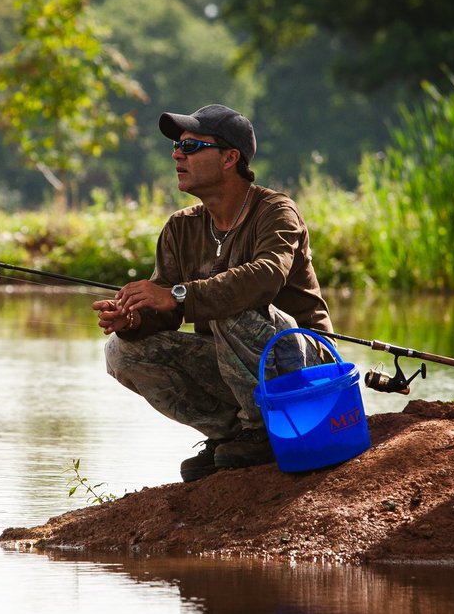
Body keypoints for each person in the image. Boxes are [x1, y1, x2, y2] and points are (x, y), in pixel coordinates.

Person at [93, 104, 333, 481]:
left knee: (232, 301)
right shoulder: (180, 228)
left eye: (190, 147)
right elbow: (167, 309)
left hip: (305, 369)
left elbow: (265, 277)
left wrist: (178, 295)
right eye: (176, 146)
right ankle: (233, 434)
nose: (176, 154)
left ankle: (265, 430)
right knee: (122, 352)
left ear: (229, 158)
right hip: (232, 361)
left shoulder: (276, 211)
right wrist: (134, 318)